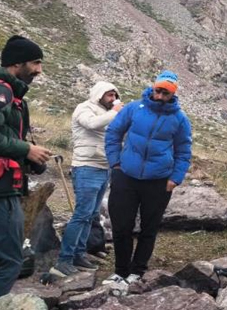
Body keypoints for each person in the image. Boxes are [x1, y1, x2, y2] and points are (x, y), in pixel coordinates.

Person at [104, 70, 192, 286]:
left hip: (158, 181)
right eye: (158, 90)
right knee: (121, 225)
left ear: (173, 94)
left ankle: (137, 271)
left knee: (149, 228)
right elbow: (113, 133)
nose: (161, 96)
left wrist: (175, 178)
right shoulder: (134, 108)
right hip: (126, 175)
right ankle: (121, 271)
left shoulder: (179, 119)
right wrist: (115, 162)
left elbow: (183, 149)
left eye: (166, 93)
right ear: (153, 88)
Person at [50, 82, 123, 277]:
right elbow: (92, 124)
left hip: (103, 168)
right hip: (86, 167)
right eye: (109, 95)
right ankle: (64, 259)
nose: (113, 99)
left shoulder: (107, 113)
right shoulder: (84, 108)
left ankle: (79, 254)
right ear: (99, 94)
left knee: (91, 215)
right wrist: (116, 111)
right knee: (82, 214)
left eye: (115, 95)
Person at [0, 36, 51, 297]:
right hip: (0, 191)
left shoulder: (11, 93)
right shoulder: (2, 90)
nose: (39, 70)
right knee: (9, 261)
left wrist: (28, 157)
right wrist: (26, 149)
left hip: (7, 184)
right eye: (36, 63)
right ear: (17, 63)